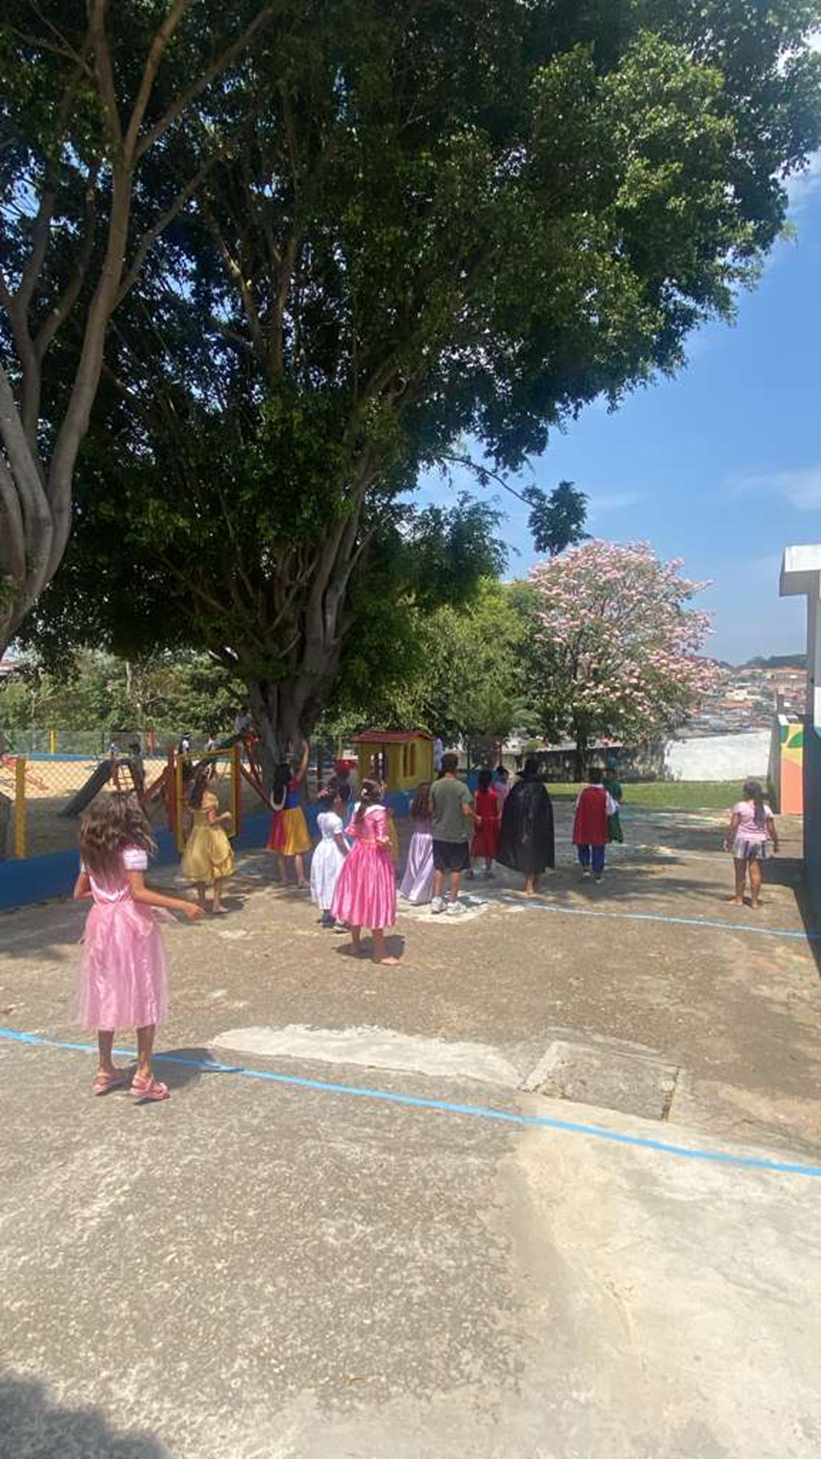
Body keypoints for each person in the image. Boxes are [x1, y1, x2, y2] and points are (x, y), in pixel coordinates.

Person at [74, 793, 203, 1102]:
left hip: (101, 925)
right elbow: (138, 893)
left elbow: (79, 892)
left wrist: (107, 897)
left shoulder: (90, 853)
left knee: (105, 992)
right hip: (130, 926)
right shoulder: (132, 851)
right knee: (144, 991)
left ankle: (105, 1068)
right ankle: (144, 1074)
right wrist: (182, 904)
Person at [331, 779, 399, 964]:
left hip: (357, 856)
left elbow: (352, 832)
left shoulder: (357, 808)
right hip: (374, 859)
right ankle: (379, 954)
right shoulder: (379, 812)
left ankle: (355, 945)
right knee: (376, 900)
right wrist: (389, 846)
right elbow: (382, 840)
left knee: (357, 898)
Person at [497, 755, 555, 897]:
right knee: (538, 852)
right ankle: (535, 882)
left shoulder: (518, 788)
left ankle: (529, 884)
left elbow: (510, 809)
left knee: (526, 853)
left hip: (522, 827)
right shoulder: (541, 789)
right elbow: (547, 811)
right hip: (539, 827)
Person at [181, 762, 235, 914]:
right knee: (218, 869)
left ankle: (202, 901)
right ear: (208, 780)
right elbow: (211, 821)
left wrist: (187, 834)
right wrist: (225, 816)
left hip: (197, 834)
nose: (216, 780)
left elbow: (188, 819)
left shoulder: (193, 797)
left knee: (201, 870)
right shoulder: (211, 798)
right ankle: (216, 904)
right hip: (211, 834)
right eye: (214, 777)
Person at [429, 751, 474, 915]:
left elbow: (430, 808)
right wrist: (476, 817)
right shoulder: (462, 787)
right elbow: (466, 810)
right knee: (456, 868)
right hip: (457, 834)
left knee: (439, 867)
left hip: (439, 832)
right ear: (456, 766)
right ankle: (453, 902)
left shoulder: (435, 785)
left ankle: (436, 900)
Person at [723, 779, 779, 909]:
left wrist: (728, 839)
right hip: (760, 842)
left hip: (742, 841)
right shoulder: (765, 809)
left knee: (740, 872)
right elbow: (771, 829)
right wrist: (776, 843)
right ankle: (754, 902)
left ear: (746, 793)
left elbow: (734, 825)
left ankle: (739, 899)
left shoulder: (740, 806)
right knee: (756, 873)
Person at [266, 741, 312, 887]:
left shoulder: (277, 787)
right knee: (298, 849)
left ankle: (284, 878)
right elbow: (303, 768)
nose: (293, 771)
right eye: (291, 771)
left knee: (281, 849)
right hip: (294, 816)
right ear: (288, 775)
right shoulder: (292, 784)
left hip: (280, 818)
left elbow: (285, 768)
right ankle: (301, 879)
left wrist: (289, 756)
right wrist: (306, 752)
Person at [311, 786, 349, 929]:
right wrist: (349, 854)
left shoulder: (321, 817)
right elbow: (339, 840)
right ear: (334, 801)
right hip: (335, 853)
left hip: (323, 850)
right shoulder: (336, 820)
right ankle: (341, 918)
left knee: (326, 879)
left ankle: (327, 913)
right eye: (338, 797)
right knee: (337, 881)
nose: (340, 799)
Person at [573, 766, 617, 883]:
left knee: (583, 845)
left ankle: (585, 868)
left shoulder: (583, 793)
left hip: (584, 823)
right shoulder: (605, 794)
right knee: (598, 848)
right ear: (601, 778)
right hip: (599, 824)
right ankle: (598, 874)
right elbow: (611, 811)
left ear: (589, 778)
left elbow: (577, 806)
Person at [399, 782, 434, 905]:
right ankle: (418, 894)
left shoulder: (412, 803)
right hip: (430, 838)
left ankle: (409, 889)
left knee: (414, 866)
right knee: (427, 867)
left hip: (416, 837)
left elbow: (411, 819)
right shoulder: (432, 806)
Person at [472, 768, 501, 876]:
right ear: (490, 781)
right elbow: (498, 811)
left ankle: (471, 869)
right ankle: (488, 869)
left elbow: (475, 809)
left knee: (476, 845)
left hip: (480, 822)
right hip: (491, 823)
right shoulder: (495, 795)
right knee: (490, 846)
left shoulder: (476, 794)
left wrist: (476, 819)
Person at [603, 761, 624, 845]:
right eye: (607, 772)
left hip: (613, 805)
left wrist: (617, 802)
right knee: (606, 822)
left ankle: (617, 836)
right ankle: (608, 836)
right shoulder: (603, 782)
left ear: (614, 774)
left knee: (614, 821)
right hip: (605, 805)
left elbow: (619, 794)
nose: (608, 774)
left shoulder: (615, 784)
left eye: (610, 773)